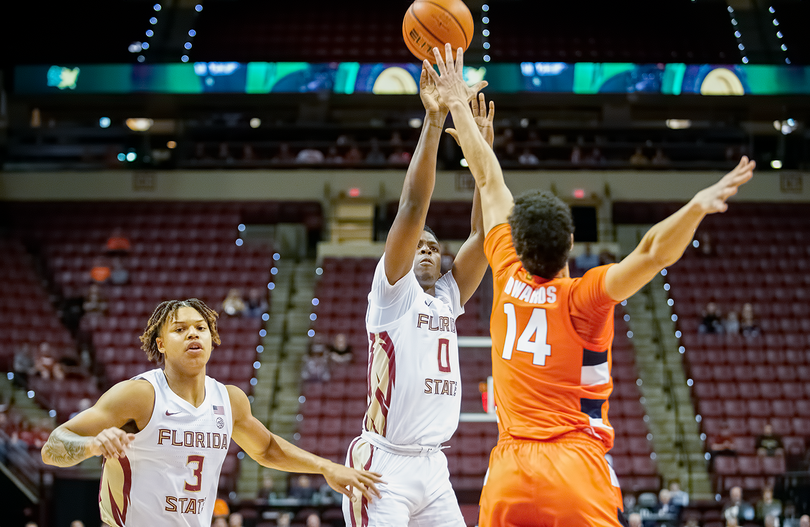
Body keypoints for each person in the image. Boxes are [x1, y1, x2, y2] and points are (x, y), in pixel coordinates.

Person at [424, 43, 756, 527]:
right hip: (575, 469)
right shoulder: (585, 297)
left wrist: (457, 103)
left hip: (509, 475)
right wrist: (697, 206)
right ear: (571, 244)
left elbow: (489, 180)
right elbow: (652, 252)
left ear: (515, 242)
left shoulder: (505, 266)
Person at [41, 298, 381, 526]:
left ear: (212, 337)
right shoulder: (139, 395)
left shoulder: (229, 399)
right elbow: (53, 447)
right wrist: (92, 445)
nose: (192, 333)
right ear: (160, 344)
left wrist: (326, 467)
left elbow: (266, 449)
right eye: (179, 329)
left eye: (200, 327)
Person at [343, 60, 489, 527]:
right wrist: (436, 119)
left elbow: (484, 236)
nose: (425, 249)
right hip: (383, 463)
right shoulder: (393, 293)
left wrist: (480, 147)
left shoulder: (447, 296)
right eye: (418, 244)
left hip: (433, 465)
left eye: (434, 246)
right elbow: (412, 206)